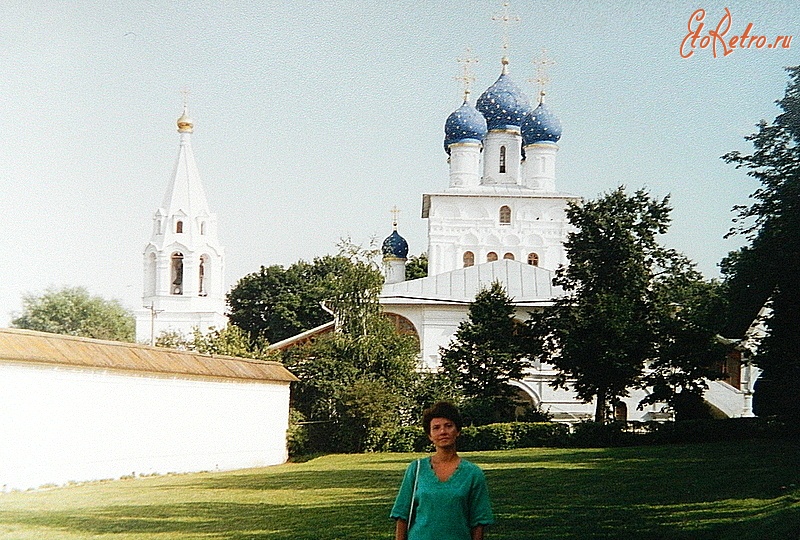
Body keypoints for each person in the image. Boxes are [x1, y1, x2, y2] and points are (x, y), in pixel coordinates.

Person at [390, 402, 494, 540]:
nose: (443, 432)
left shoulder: (473, 473)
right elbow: (402, 516)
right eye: (436, 428)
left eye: (448, 426)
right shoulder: (416, 469)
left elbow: (478, 522)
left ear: (458, 431)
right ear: (430, 435)